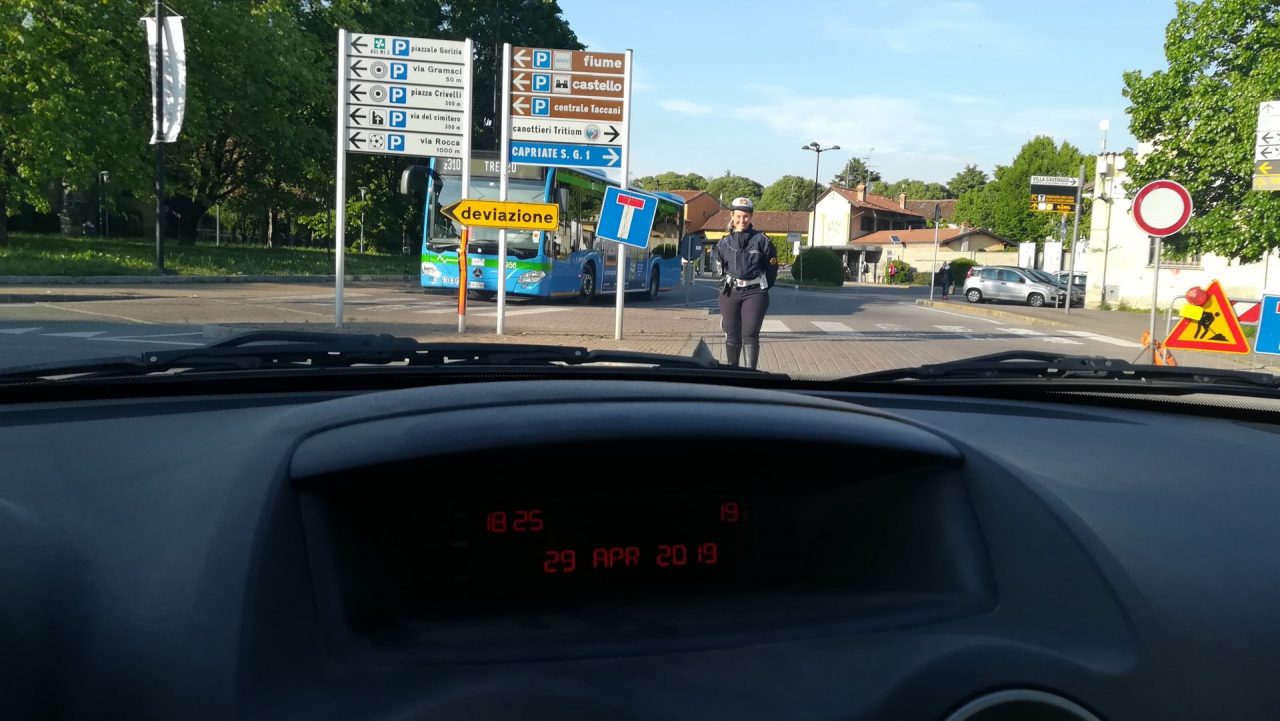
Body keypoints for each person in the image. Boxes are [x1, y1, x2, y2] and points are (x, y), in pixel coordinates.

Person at [714, 197, 778, 369]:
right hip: (730, 293)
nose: (742, 220)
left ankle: (750, 375)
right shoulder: (724, 243)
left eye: (746, 216)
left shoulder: (762, 241)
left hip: (755, 293)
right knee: (732, 334)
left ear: (751, 217)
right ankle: (732, 372)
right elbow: (721, 268)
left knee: (749, 334)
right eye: (738, 216)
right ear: (732, 216)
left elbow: (772, 270)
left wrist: (760, 288)